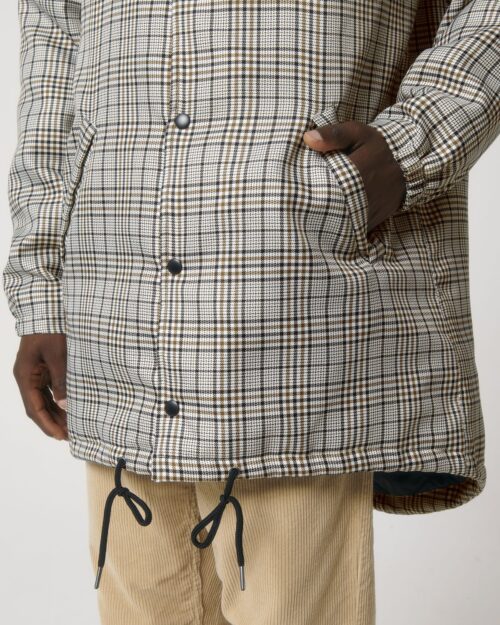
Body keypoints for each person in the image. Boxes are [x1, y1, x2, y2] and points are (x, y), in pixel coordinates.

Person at [4, 1, 498, 623]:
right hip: (118, 300)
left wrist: (411, 143)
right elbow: (54, 44)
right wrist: (41, 285)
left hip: (294, 296)